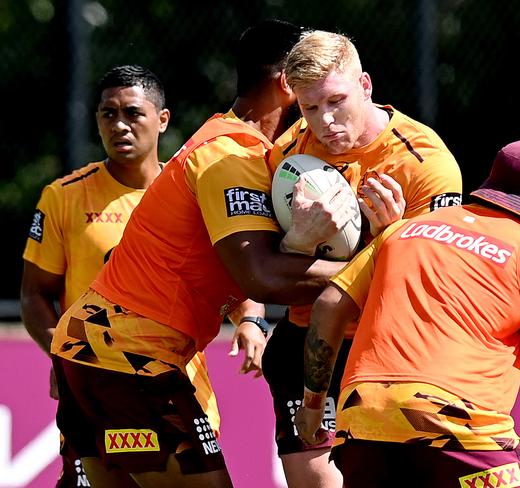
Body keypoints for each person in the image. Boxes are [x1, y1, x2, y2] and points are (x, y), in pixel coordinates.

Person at [46, 20, 352, 488]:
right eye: (314, 86)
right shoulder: (231, 155)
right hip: (128, 359)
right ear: (287, 84)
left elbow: (230, 267)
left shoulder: (231, 143)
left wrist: (251, 317)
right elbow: (261, 277)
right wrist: (376, 267)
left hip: (92, 349)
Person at [296, 139, 520, 487]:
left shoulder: (403, 231)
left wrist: (312, 404)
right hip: (458, 428)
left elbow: (327, 306)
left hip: (363, 422)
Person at [21, 64, 245, 487]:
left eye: (133, 113)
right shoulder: (65, 196)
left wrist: (250, 319)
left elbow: (231, 262)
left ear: (163, 120)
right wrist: (61, 351)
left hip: (174, 385)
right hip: (102, 385)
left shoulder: (192, 191)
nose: (119, 125)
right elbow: (34, 292)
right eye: (108, 114)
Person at [263, 29, 463, 487]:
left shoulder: (425, 164)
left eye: (336, 101)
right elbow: (259, 257)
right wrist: (254, 314)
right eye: (310, 108)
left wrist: (393, 237)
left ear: (366, 85)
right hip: (305, 338)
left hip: (388, 350)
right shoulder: (288, 153)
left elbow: (434, 286)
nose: (325, 121)